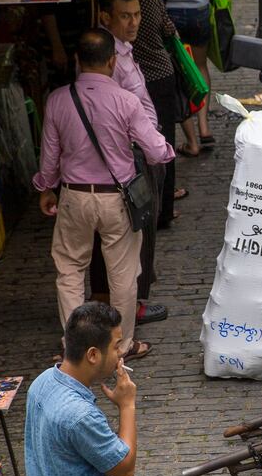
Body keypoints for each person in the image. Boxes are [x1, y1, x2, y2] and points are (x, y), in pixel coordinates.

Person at [32, 28, 174, 359]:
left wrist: (45, 189)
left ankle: (74, 347)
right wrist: (167, 148)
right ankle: (120, 347)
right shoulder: (126, 101)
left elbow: (49, 158)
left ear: (77, 60)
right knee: (123, 274)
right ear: (112, 61)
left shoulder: (57, 100)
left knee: (69, 269)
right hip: (117, 198)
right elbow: (156, 152)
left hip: (74, 195)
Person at [92, 0, 170, 333]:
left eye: (137, 14)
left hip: (146, 148)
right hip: (134, 155)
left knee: (145, 226)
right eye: (126, 16)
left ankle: (135, 299)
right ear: (106, 17)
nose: (134, 22)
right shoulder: (109, 60)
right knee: (137, 230)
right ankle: (132, 305)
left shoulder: (125, 51)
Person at [25, 302, 137, 476]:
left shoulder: (42, 382)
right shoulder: (81, 416)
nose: (120, 354)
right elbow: (125, 468)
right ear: (93, 355)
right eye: (116, 346)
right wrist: (127, 405)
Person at [131, 0, 188, 228]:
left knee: (146, 145)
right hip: (157, 74)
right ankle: (164, 209)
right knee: (163, 141)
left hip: (143, 75)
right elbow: (167, 27)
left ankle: (154, 208)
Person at [164, 0, 215, 155]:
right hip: (198, 8)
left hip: (172, 10)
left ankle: (192, 142)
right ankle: (204, 127)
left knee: (180, 74)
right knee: (200, 66)